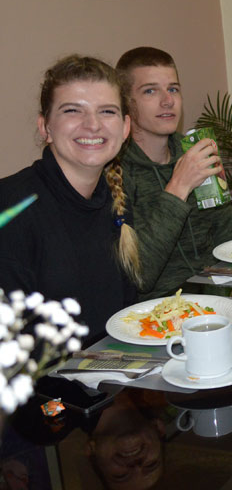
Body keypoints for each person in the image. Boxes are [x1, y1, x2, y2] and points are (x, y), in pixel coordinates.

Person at [0, 55, 138, 342]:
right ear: (45, 127)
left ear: (125, 128)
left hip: (111, 377)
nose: (93, 125)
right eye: (73, 110)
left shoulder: (118, 203)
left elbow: (124, 318)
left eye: (107, 112)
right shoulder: (11, 207)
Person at [116, 47, 232, 300]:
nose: (167, 101)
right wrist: (178, 187)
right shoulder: (114, 173)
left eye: (173, 89)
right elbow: (140, 277)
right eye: (150, 91)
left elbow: (229, 243)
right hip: (155, 314)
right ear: (126, 102)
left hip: (217, 298)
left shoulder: (195, 153)